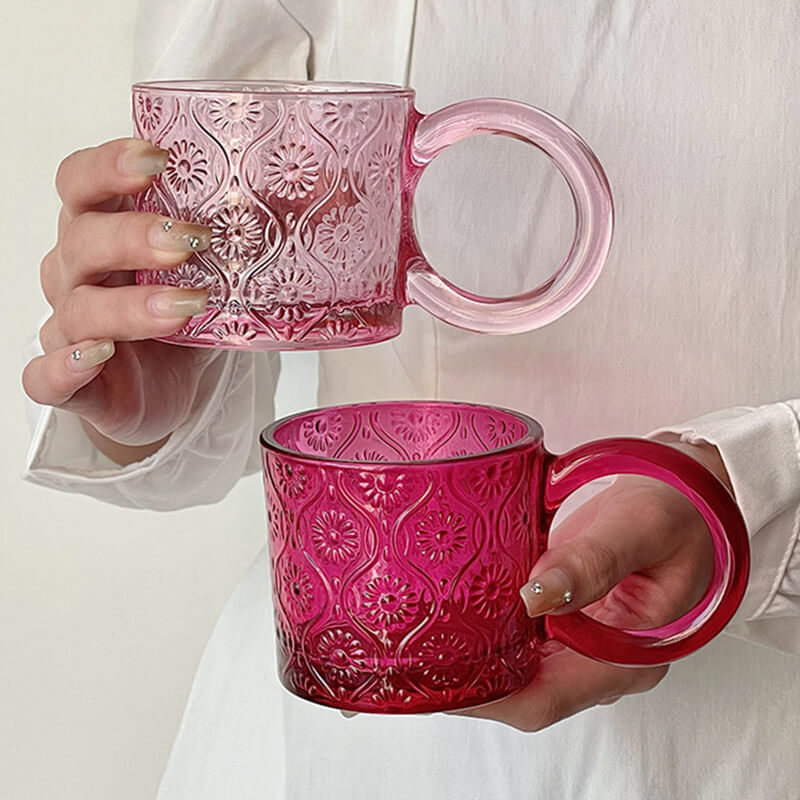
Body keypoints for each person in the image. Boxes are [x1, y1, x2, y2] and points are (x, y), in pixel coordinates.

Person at [22, 2, 800, 798]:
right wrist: (173, 376)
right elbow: (219, 203)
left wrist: (747, 493)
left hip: (755, 729)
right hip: (363, 700)